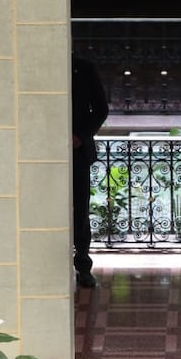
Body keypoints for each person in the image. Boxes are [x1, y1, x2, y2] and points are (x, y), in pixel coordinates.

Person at [71, 51, 109, 289]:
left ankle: (83, 265)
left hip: (77, 152)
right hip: (43, 152)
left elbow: (101, 109)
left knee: (80, 208)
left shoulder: (84, 67)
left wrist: (80, 136)